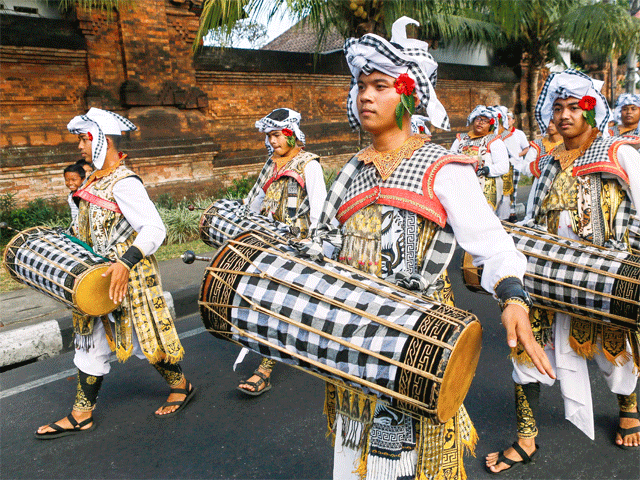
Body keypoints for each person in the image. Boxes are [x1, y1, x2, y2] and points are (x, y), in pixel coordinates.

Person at [308, 17, 553, 480]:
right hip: (354, 333)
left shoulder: (443, 167)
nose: (365, 95)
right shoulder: (349, 171)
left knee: (414, 463)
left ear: (408, 93)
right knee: (354, 454)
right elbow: (323, 245)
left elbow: (494, 245)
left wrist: (514, 298)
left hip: (421, 340)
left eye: (381, 86)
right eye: (361, 85)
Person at [486, 69, 640, 474]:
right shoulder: (550, 160)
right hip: (548, 278)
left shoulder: (619, 153)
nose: (565, 115)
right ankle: (526, 437)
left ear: (591, 111)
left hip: (604, 279)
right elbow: (534, 216)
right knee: (525, 349)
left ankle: (628, 407)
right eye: (558, 108)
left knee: (615, 354)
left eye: (574, 107)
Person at [35, 108, 195, 440]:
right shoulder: (94, 180)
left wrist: (125, 262)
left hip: (128, 278)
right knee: (90, 342)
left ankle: (181, 385)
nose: (79, 147)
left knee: (141, 340)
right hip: (97, 279)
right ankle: (82, 414)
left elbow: (154, 228)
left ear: (101, 141)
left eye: (83, 139)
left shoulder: (124, 182)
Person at [235, 107, 328, 396]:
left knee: (277, 303)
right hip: (269, 243)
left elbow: (320, 207)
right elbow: (255, 199)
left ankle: (265, 368)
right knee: (268, 300)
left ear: (290, 133)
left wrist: (316, 242)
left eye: (276, 135)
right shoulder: (271, 164)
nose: (272, 141)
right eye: (269, 136)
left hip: (296, 245)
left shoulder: (308, 164)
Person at [450, 105, 510, 212]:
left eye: (485, 121)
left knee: (483, 217)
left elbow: (503, 166)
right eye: (478, 119)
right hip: (462, 185)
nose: (480, 123)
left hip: (485, 186)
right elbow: (450, 157)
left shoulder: (494, 141)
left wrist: (487, 170)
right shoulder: (461, 139)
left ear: (491, 125)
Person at [500, 111, 530, 222]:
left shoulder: (519, 134)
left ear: (513, 120)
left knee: (513, 190)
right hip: (503, 165)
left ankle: (512, 212)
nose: (507, 121)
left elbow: (526, 148)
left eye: (508, 118)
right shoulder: (499, 134)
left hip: (515, 165)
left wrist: (516, 155)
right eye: (504, 118)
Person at [63, 162, 86, 231]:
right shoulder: (70, 196)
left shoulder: (84, 196)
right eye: (67, 180)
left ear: (83, 179)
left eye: (74, 180)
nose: (70, 183)